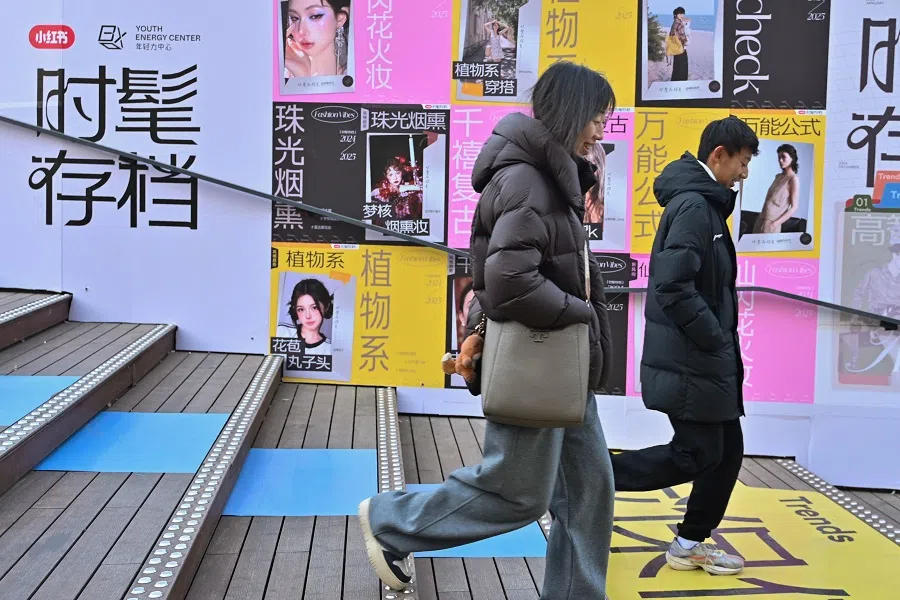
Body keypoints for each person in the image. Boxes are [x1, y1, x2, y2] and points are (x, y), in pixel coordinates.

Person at [357, 60, 617, 599]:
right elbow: (510, 281)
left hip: (562, 366)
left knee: (589, 493)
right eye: (596, 117)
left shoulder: (551, 175)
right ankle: (392, 522)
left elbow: (489, 271)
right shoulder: (529, 179)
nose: (599, 130)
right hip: (540, 363)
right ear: (570, 114)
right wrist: (582, 312)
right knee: (517, 493)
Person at [610, 116, 759, 575]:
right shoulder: (695, 206)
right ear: (718, 155)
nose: (745, 174)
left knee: (727, 450)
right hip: (693, 358)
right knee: (696, 454)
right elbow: (673, 288)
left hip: (703, 360)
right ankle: (582, 476)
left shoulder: (706, 205)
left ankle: (690, 541)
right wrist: (714, 338)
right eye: (743, 162)